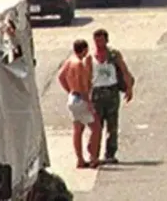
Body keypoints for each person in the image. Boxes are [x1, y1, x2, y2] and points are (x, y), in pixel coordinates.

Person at [90, 29, 135, 165]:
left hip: (111, 92)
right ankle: (94, 154)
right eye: (96, 40)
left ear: (106, 40)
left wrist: (129, 88)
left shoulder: (114, 55)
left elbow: (124, 70)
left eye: (101, 40)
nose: (99, 43)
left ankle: (110, 154)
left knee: (112, 124)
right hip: (97, 93)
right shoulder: (91, 56)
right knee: (96, 125)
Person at [57, 39, 101, 169]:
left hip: (72, 98)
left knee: (78, 129)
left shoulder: (69, 61)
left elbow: (60, 76)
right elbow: (83, 86)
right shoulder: (79, 65)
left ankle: (80, 159)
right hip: (81, 98)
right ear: (84, 49)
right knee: (96, 128)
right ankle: (93, 158)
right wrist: (89, 103)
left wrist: (69, 90)